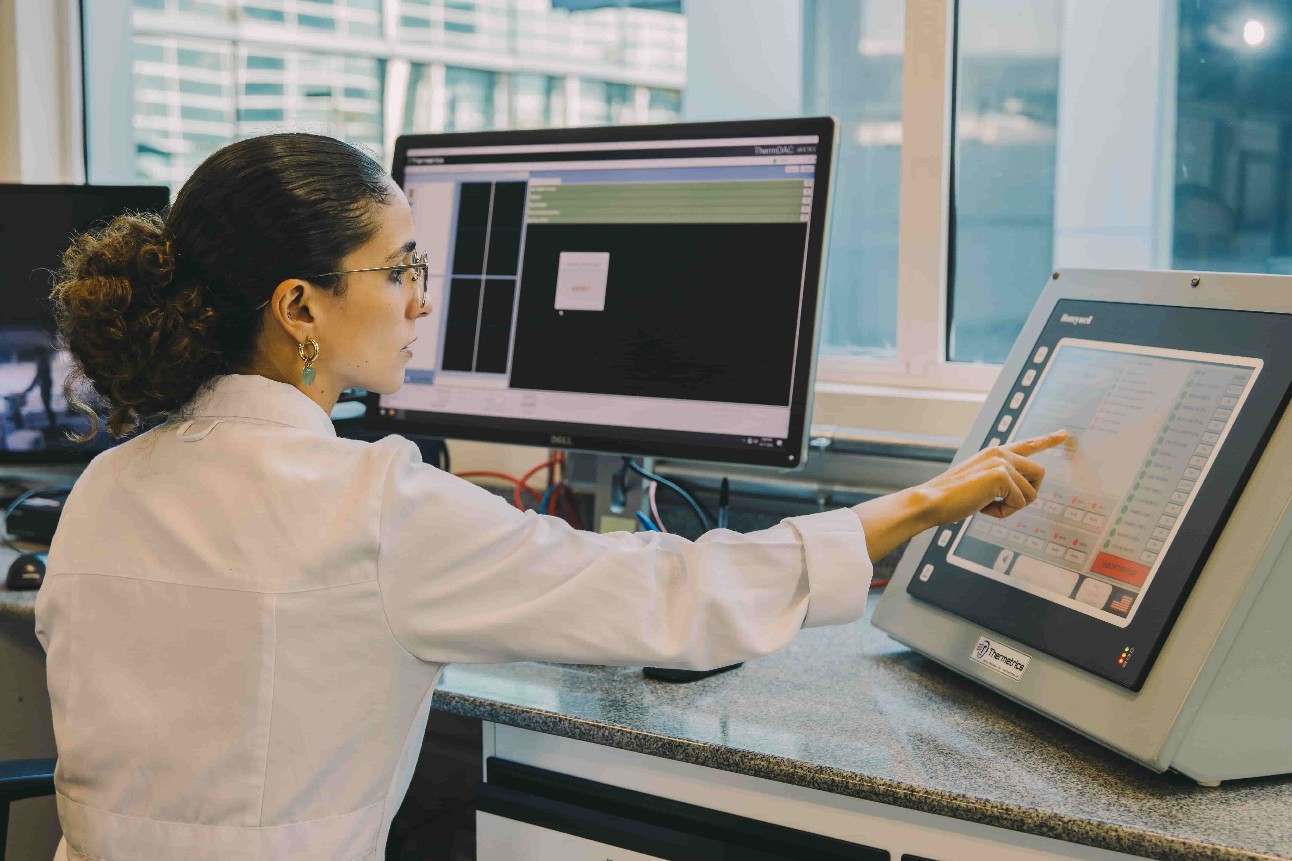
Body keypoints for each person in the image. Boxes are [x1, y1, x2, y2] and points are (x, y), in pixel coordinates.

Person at [35, 132, 1065, 861]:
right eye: (399, 269)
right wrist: (919, 505)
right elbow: (666, 601)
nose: (424, 300)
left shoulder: (108, 483)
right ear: (300, 305)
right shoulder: (374, 505)